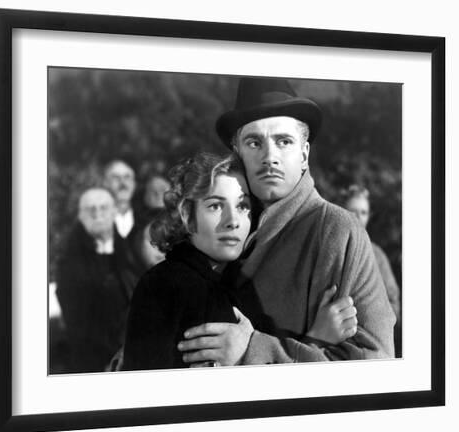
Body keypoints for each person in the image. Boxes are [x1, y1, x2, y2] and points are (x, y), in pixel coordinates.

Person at [178, 77, 396, 366]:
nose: (270, 157)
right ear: (237, 153)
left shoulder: (337, 230)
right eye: (254, 142)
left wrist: (252, 350)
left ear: (304, 155)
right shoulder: (217, 226)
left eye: (284, 141)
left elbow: (375, 364)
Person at [122, 153, 357, 370]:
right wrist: (317, 340)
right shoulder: (167, 285)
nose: (232, 221)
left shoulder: (239, 282)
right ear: (187, 215)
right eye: (215, 206)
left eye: (242, 206)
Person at [56, 187, 139, 373]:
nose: (97, 214)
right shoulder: (68, 264)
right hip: (91, 360)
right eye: (90, 209)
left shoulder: (131, 252)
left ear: (114, 212)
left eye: (103, 207)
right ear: (80, 216)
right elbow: (77, 321)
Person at [340, 184, 402, 355]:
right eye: (353, 211)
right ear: (342, 211)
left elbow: (394, 302)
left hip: (371, 343)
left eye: (363, 212)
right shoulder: (331, 250)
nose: (358, 217)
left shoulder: (378, 256)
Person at [103, 159, 137, 239]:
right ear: (105, 183)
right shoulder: (92, 222)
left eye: (127, 177)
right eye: (116, 177)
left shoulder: (146, 221)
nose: (123, 182)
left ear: (134, 184)